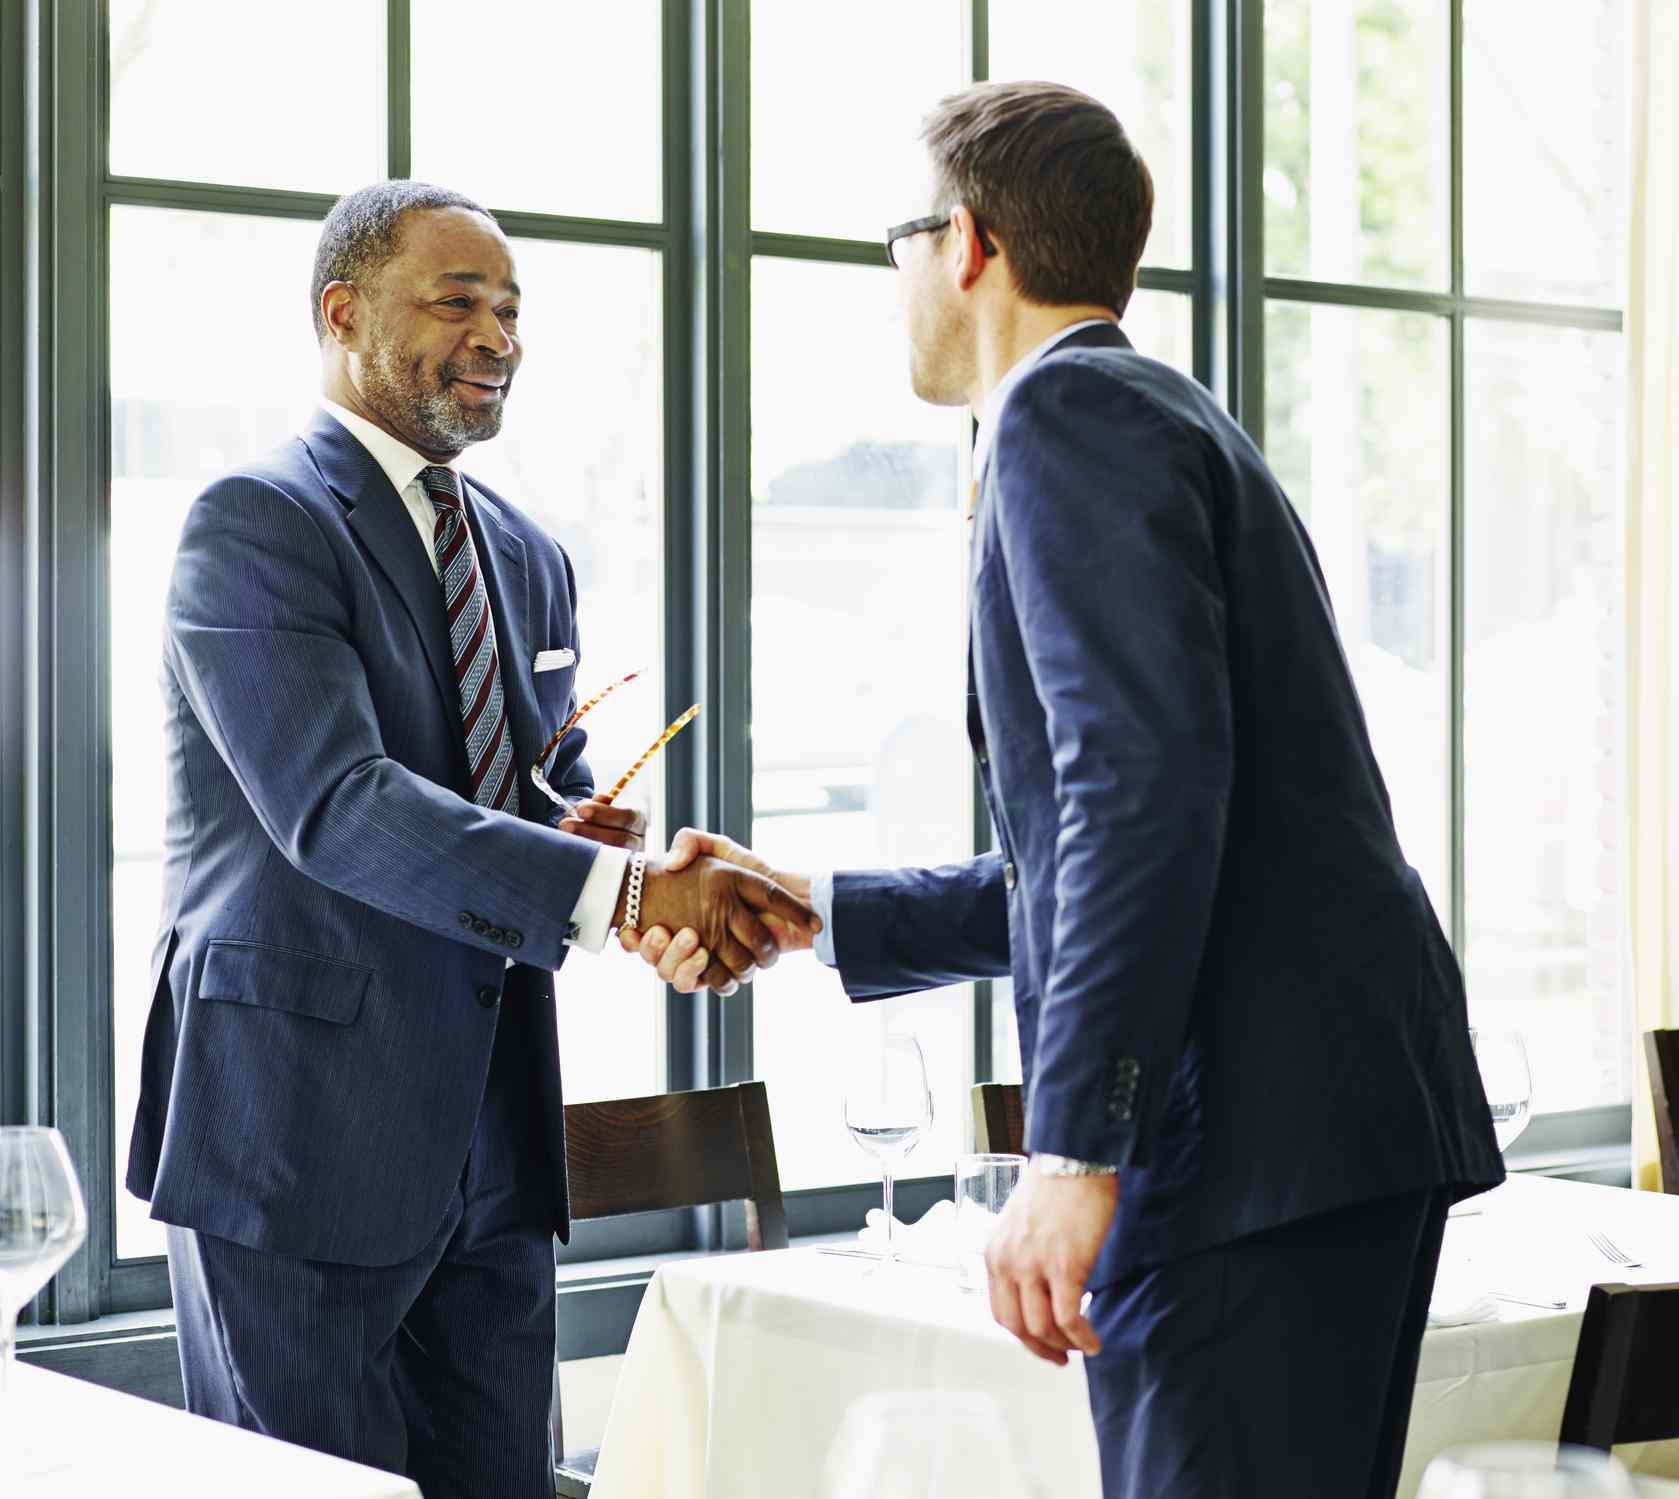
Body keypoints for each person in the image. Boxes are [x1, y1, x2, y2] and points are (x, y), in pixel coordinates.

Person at [636, 83, 1503, 1498]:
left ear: (967, 241)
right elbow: (1141, 824)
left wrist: (1074, 1152)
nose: (897, 277)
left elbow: (1138, 801)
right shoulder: (1156, 414)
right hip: (1323, 1123)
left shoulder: (1063, 420)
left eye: (902, 239)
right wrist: (818, 906)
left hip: (1242, 1147)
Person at [125, 180, 813, 1499]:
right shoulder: (255, 525)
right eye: (457, 301)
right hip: (293, 1143)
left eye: (511, 308)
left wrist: (578, 826)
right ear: (343, 313)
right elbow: (337, 809)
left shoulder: (529, 553)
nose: (497, 334)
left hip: (496, 1142)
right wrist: (617, 891)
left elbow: (521, 787)